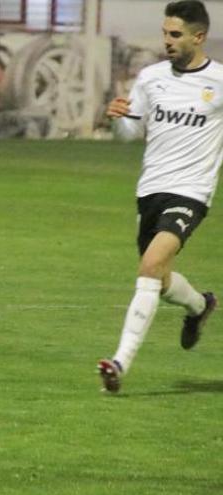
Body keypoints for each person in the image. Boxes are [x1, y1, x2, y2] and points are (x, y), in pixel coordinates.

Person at [98, 0, 220, 393]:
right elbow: (131, 135)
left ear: (198, 37)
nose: (167, 41)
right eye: (165, 33)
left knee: (150, 266)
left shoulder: (219, 82)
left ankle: (119, 363)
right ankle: (201, 306)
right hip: (150, 191)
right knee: (161, 279)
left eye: (176, 34)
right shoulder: (150, 78)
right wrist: (117, 119)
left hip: (191, 193)